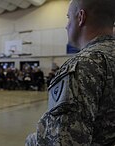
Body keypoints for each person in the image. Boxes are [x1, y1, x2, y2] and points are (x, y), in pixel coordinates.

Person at [25, 0, 115, 145]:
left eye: (68, 18)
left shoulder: (83, 64)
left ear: (81, 17)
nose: (66, 26)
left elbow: (64, 140)